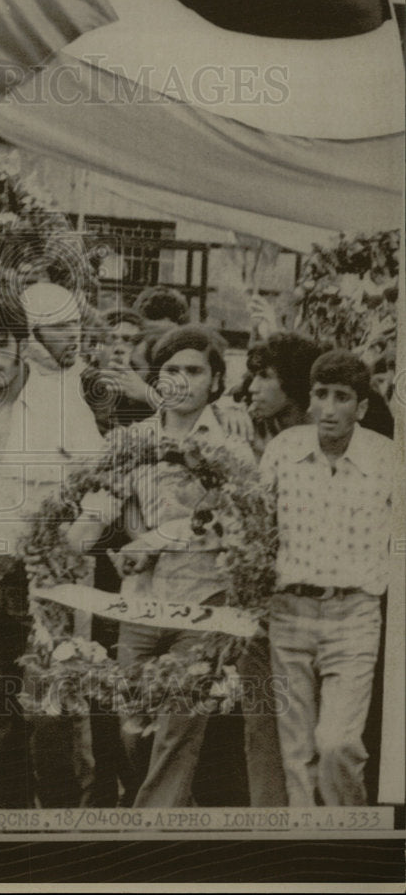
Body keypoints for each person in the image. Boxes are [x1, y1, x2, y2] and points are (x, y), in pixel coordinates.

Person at [67, 325, 254, 807]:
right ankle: (178, 813)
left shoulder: (232, 447)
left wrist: (154, 538)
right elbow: (99, 506)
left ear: (215, 381)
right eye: (171, 369)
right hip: (144, 605)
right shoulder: (134, 441)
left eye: (194, 370)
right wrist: (68, 540)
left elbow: (227, 522)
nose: (181, 379)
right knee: (135, 729)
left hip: (205, 604)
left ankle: (151, 840)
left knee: (178, 727)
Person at [0, 285, 104, 808]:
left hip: (46, 578)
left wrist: (79, 533)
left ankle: (61, 831)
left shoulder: (61, 404)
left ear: (22, 344)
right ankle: (8, 828)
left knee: (50, 712)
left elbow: (107, 483)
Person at [260, 350, 394, 806]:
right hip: (289, 612)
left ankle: (349, 840)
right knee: (295, 752)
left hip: (354, 614)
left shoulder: (387, 458)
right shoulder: (283, 449)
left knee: (337, 742)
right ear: (310, 398)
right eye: (321, 395)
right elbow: (255, 528)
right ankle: (308, 851)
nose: (330, 408)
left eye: (342, 397)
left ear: (361, 407)